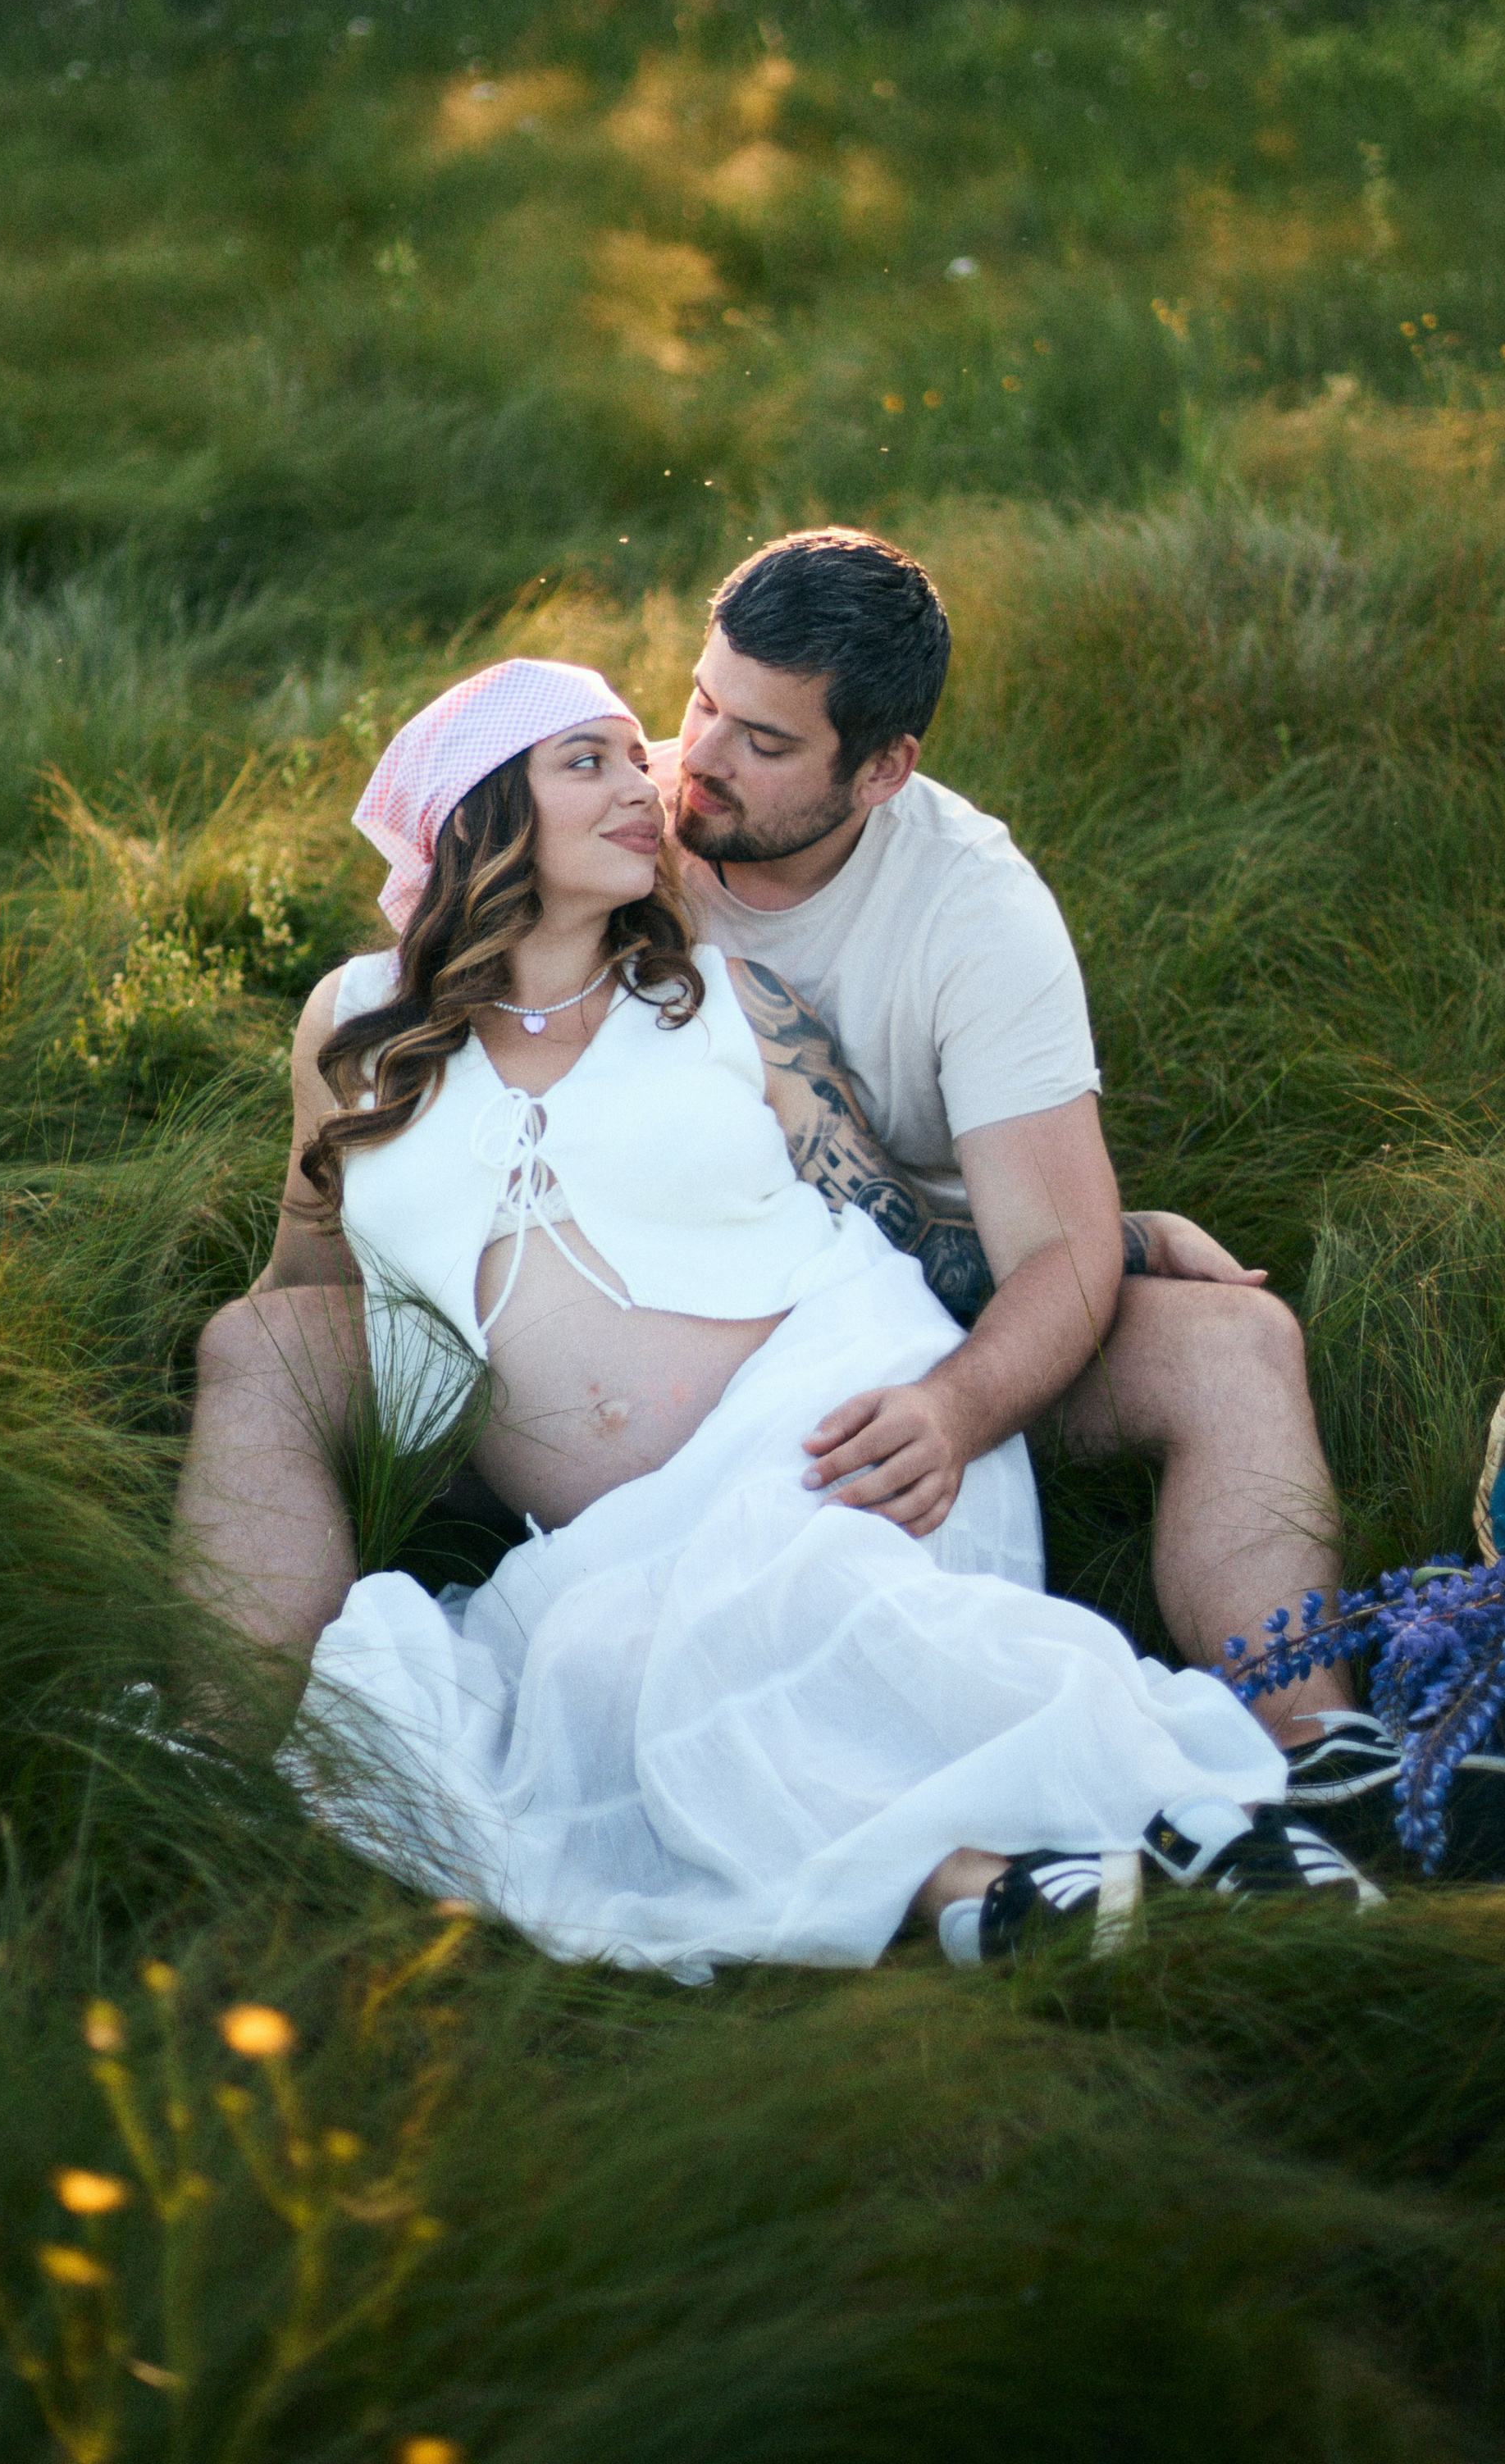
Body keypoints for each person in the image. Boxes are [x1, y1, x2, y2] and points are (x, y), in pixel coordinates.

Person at [263, 656, 1384, 1972]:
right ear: (480, 813)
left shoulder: (730, 996)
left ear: (878, 767)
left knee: (789, 1597)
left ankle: (1247, 1794)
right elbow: (306, 1279)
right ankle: (997, 1884)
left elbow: (896, 1230)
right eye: (596, 759)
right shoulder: (358, 1027)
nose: (653, 782)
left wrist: (1117, 1243)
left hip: (824, 1404)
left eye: (637, 754)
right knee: (606, 1673)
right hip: (609, 1531)